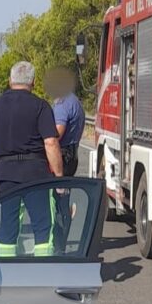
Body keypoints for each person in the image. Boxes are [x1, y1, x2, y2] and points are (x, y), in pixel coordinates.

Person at [0, 61, 63, 257]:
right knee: (42, 225)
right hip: (36, 173)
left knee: (8, 225)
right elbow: (50, 143)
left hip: (6, 173)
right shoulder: (40, 106)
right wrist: (59, 175)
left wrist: (6, 151)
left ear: (10, 81)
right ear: (33, 82)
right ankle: (44, 270)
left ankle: (8, 269)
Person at [45, 68, 86, 253]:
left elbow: (57, 133)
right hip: (72, 154)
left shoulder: (62, 103)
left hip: (61, 155)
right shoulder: (75, 101)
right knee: (63, 198)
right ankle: (62, 238)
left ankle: (59, 245)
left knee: (57, 201)